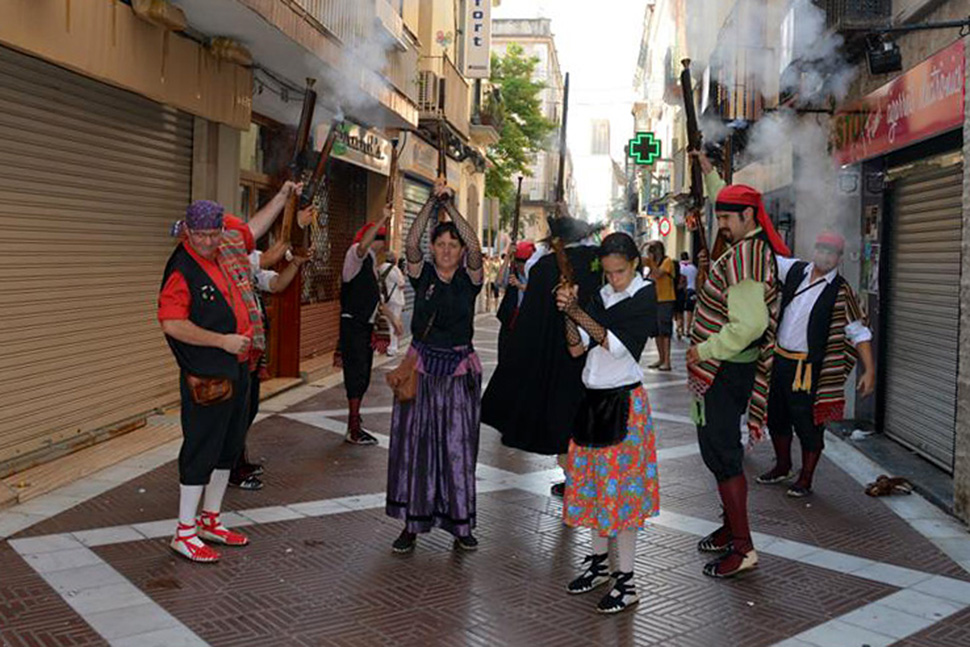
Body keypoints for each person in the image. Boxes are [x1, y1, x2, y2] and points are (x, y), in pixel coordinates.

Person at [685, 183, 790, 579]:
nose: (722, 225)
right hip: (726, 369)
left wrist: (705, 350)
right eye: (721, 216)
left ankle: (743, 546)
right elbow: (728, 199)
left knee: (723, 452)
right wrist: (710, 175)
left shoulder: (746, 255)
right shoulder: (750, 243)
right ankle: (731, 526)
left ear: (748, 217)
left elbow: (751, 324)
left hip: (726, 368)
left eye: (728, 218)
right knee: (716, 450)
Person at [556, 232, 660, 614]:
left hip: (625, 405)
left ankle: (627, 582)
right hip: (593, 400)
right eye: (610, 272)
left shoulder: (645, 295)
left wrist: (577, 309)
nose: (614, 278)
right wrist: (569, 312)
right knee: (596, 489)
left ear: (635, 264)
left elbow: (615, 344)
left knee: (624, 498)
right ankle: (600, 566)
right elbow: (575, 346)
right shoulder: (601, 296)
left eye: (621, 271)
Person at [158, 200, 264, 563]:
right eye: (200, 234)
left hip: (237, 368)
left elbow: (249, 231)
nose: (206, 241)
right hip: (208, 374)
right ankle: (184, 531)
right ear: (187, 231)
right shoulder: (182, 267)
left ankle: (211, 520)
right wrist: (222, 341)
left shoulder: (222, 252)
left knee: (228, 447)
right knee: (201, 447)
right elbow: (172, 323)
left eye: (213, 234)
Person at [386, 178, 485, 553]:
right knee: (415, 448)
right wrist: (430, 202)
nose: (446, 250)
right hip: (422, 372)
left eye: (452, 245)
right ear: (433, 249)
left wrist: (451, 204)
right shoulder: (421, 272)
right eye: (440, 245)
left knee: (458, 450)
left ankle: (461, 526)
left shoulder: (470, 278)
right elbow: (409, 244)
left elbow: (475, 244)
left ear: (460, 251)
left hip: (459, 374)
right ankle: (411, 525)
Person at [481, 216, 603, 497]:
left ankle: (573, 476)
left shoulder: (545, 267)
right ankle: (587, 475)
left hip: (558, 357)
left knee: (563, 416)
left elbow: (530, 322)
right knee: (586, 417)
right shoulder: (600, 261)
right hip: (596, 354)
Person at [757, 231, 875, 497]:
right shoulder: (794, 270)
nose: (826, 256)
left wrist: (870, 370)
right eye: (822, 250)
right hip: (779, 361)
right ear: (815, 250)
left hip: (807, 370)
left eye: (832, 253)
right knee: (776, 417)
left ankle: (806, 478)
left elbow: (859, 332)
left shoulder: (841, 291)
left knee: (808, 424)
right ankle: (783, 466)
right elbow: (766, 256)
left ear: (839, 258)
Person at [229, 239, 315, 491]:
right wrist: (289, 236)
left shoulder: (250, 272)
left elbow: (277, 284)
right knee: (236, 414)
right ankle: (231, 468)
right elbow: (265, 258)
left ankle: (238, 460)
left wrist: (296, 263)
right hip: (235, 355)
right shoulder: (231, 265)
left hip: (253, 355)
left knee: (249, 409)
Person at [339, 205, 401, 445]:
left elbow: (377, 300)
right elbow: (363, 246)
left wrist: (394, 319)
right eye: (381, 238)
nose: (384, 244)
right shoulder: (356, 254)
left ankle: (354, 422)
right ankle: (353, 428)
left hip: (364, 326)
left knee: (362, 376)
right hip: (353, 325)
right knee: (356, 376)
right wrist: (381, 218)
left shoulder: (372, 265)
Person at [495, 240, 536, 365]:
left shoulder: (537, 275)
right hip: (510, 322)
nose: (521, 266)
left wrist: (520, 286)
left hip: (529, 325)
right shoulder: (513, 272)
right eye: (519, 262)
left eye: (524, 262)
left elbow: (538, 292)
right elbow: (499, 282)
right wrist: (507, 257)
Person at [644, 241, 676, 371]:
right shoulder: (653, 262)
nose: (650, 255)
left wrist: (651, 262)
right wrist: (643, 246)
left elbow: (657, 274)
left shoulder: (667, 261)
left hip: (666, 299)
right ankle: (661, 358)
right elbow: (636, 259)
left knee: (665, 332)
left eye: (652, 251)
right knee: (656, 332)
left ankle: (667, 362)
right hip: (655, 299)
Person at [380, 251, 407, 357]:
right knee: (394, 324)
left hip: (386, 299)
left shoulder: (381, 267)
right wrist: (401, 272)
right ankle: (392, 347)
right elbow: (402, 284)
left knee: (388, 323)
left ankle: (389, 346)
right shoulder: (394, 269)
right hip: (396, 299)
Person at [678, 252, 698, 339]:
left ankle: (680, 329)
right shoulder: (694, 268)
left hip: (682, 291)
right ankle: (687, 330)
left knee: (680, 311)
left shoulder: (680, 267)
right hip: (692, 290)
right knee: (690, 311)